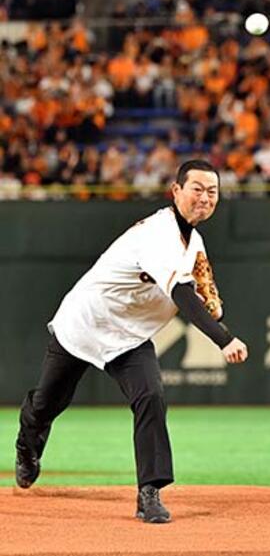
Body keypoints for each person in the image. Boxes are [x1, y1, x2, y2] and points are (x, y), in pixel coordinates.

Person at [15, 159, 249, 524]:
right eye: (197, 189)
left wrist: (215, 308)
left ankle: (149, 492)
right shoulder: (158, 233)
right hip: (85, 322)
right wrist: (223, 338)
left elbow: (203, 294)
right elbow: (185, 296)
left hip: (129, 337)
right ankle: (27, 447)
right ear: (176, 191)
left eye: (212, 192)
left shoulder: (195, 242)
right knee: (47, 402)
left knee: (151, 395)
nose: (205, 197)